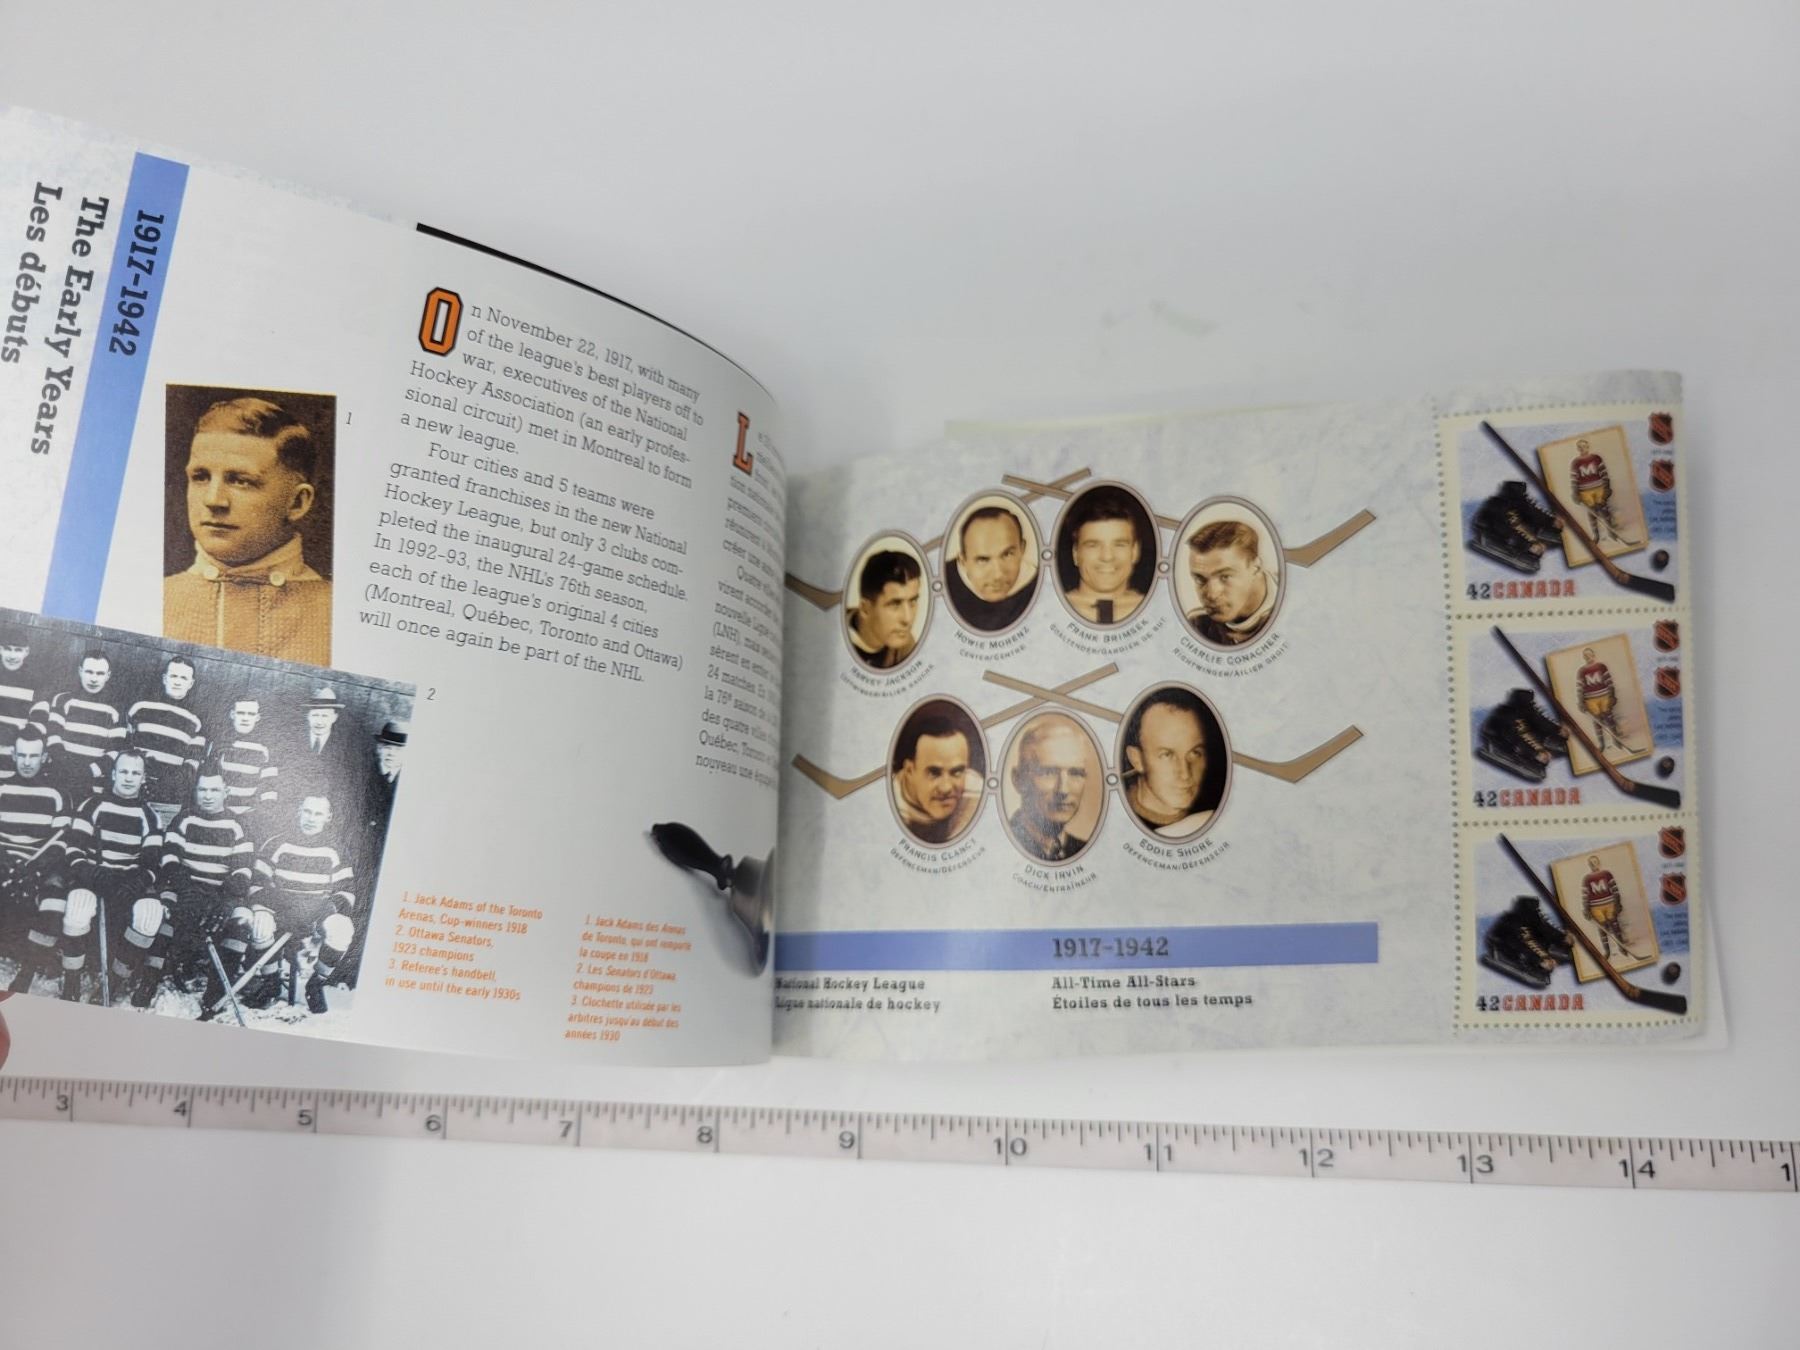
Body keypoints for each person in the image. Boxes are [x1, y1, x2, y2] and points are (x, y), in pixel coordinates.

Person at [163, 396, 331, 665]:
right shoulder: (157, 598)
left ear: (297, 502)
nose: (213, 500)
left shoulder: (335, 613)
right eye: (200, 477)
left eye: (241, 481)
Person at [64, 748, 164, 1004]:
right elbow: (73, 850)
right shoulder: (92, 805)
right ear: (113, 774)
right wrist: (90, 872)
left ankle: (115, 980)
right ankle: (71, 982)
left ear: (144, 778)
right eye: (123, 771)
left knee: (150, 914)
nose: (129, 778)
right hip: (94, 876)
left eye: (135, 773)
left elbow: (153, 864)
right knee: (77, 907)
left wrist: (136, 884)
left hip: (127, 881)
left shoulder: (150, 817)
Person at [245, 793, 356, 1014]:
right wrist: (273, 907)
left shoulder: (336, 851)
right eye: (307, 811)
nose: (311, 818)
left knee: (342, 928)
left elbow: (347, 891)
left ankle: (316, 983)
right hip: (279, 908)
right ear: (299, 812)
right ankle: (271, 982)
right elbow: (257, 884)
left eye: (318, 814)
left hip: (316, 913)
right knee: (260, 923)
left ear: (328, 817)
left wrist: (326, 909)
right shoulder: (276, 844)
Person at [0, 729, 74, 995]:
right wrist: (5, 862)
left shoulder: (58, 794)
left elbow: (60, 843)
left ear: (44, 757)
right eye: (22, 755)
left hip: (39, 866)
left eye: (34, 756)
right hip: (4, 862)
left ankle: (26, 974)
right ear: (13, 755)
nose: (27, 762)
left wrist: (35, 869)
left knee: (55, 899)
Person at [1120, 690, 1221, 839]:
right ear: (1137, 759)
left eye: (1195, 753)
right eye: (1167, 755)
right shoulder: (1117, 822)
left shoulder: (1219, 812)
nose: (1185, 773)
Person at [1007, 713, 1094, 862]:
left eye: (1075, 773)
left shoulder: (1087, 850)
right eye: (1048, 773)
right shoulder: (1002, 844)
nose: (1063, 790)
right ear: (1019, 780)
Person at [891, 706, 984, 845]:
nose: (946, 788)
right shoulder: (889, 806)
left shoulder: (976, 792)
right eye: (934, 773)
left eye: (957, 772)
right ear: (909, 771)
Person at [44, 649, 127, 800]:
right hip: (59, 778)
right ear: (80, 671)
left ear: (108, 676)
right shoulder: (63, 700)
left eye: (100, 674)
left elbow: (115, 750)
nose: (94, 679)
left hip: (94, 786)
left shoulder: (117, 709)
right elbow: (53, 737)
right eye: (89, 672)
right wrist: (67, 768)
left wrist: (88, 772)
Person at [129, 655, 207, 809]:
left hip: (166, 798)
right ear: (165, 678)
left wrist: (164, 785)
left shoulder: (196, 720)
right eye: (173, 676)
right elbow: (125, 746)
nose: (177, 682)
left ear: (191, 683)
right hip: (131, 790)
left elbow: (192, 765)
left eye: (183, 678)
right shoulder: (140, 707)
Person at [1184, 519, 1278, 647]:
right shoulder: (1198, 624)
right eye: (1200, 579)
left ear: (1256, 568)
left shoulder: (1294, 604)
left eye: (1225, 577)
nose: (1212, 595)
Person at [1062, 488, 1146, 625]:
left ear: (1135, 551)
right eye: (1093, 545)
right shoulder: (1049, 608)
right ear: (1075, 553)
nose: (1107, 557)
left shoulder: (1157, 608)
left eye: (1119, 544)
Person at [945, 504, 1035, 632]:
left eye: (1007, 554)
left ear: (1022, 549)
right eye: (983, 560)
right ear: (963, 560)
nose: (998, 575)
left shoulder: (1040, 584)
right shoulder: (944, 581)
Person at [847, 549, 923, 669]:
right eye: (895, 604)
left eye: (912, 602)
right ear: (865, 609)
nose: (907, 619)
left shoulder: (905, 644)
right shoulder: (833, 640)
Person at [217, 696, 280, 822]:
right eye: (241, 713)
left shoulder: (265, 749)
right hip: (219, 815)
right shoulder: (219, 744)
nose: (245, 718)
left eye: (251, 714)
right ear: (232, 714)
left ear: (257, 718)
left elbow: (269, 789)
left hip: (248, 818)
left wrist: (256, 817)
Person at [0, 628, 44, 774]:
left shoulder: (35, 684)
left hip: (16, 761)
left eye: (18, 650)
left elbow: (38, 725)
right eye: (8, 649)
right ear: (0, 649)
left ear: (26, 652)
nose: (12, 656)